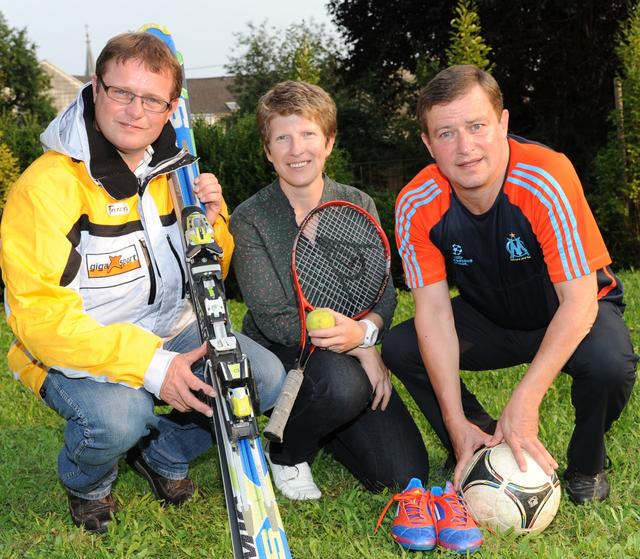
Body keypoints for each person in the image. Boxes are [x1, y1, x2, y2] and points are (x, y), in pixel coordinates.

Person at [0, 32, 286, 533]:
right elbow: (41, 318)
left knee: (261, 377)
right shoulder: (46, 187)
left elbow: (209, 277)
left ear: (171, 107)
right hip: (72, 345)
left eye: (152, 99)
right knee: (120, 417)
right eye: (122, 93)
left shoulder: (176, 169)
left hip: (171, 327)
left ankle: (163, 454)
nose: (135, 111)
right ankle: (87, 482)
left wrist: (213, 225)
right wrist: (153, 367)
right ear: (95, 87)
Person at [382, 64, 637, 505]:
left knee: (611, 365)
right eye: (445, 134)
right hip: (491, 318)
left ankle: (586, 464)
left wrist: (525, 400)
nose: (464, 147)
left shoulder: (545, 176)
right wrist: (454, 418)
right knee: (403, 347)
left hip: (571, 311)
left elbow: (577, 302)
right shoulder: (415, 203)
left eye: (476, 126)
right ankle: (477, 440)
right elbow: (435, 314)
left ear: (502, 123)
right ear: (428, 144)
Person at [230, 80, 429, 501]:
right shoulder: (249, 219)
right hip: (285, 350)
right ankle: (285, 451)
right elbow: (274, 317)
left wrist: (367, 331)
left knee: (403, 473)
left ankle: (323, 423)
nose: (295, 149)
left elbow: (382, 292)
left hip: (347, 350)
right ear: (268, 150)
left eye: (307, 134)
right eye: (281, 137)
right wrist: (362, 348)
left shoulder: (358, 202)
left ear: (329, 142)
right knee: (343, 387)